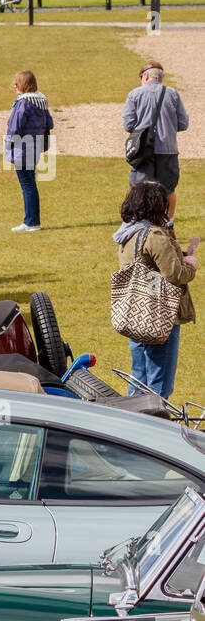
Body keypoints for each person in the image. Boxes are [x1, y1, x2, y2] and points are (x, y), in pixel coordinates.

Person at [113, 181, 197, 399]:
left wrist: (179, 255)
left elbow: (149, 267)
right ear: (156, 205)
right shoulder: (154, 236)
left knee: (138, 381)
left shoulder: (127, 233)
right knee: (159, 389)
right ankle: (150, 428)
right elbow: (174, 275)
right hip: (160, 317)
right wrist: (191, 266)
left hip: (135, 315)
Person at [123, 61, 189, 224]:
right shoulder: (173, 93)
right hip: (168, 149)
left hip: (143, 150)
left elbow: (128, 124)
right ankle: (168, 223)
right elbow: (183, 123)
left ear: (145, 76)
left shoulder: (135, 94)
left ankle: (140, 224)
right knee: (168, 189)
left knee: (140, 189)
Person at [5, 69, 53, 232]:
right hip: (35, 146)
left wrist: (8, 143)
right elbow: (49, 123)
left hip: (22, 147)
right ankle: (31, 220)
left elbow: (15, 126)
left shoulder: (23, 103)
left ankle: (31, 222)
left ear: (21, 85)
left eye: (16, 83)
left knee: (27, 185)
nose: (14, 85)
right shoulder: (42, 101)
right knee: (30, 183)